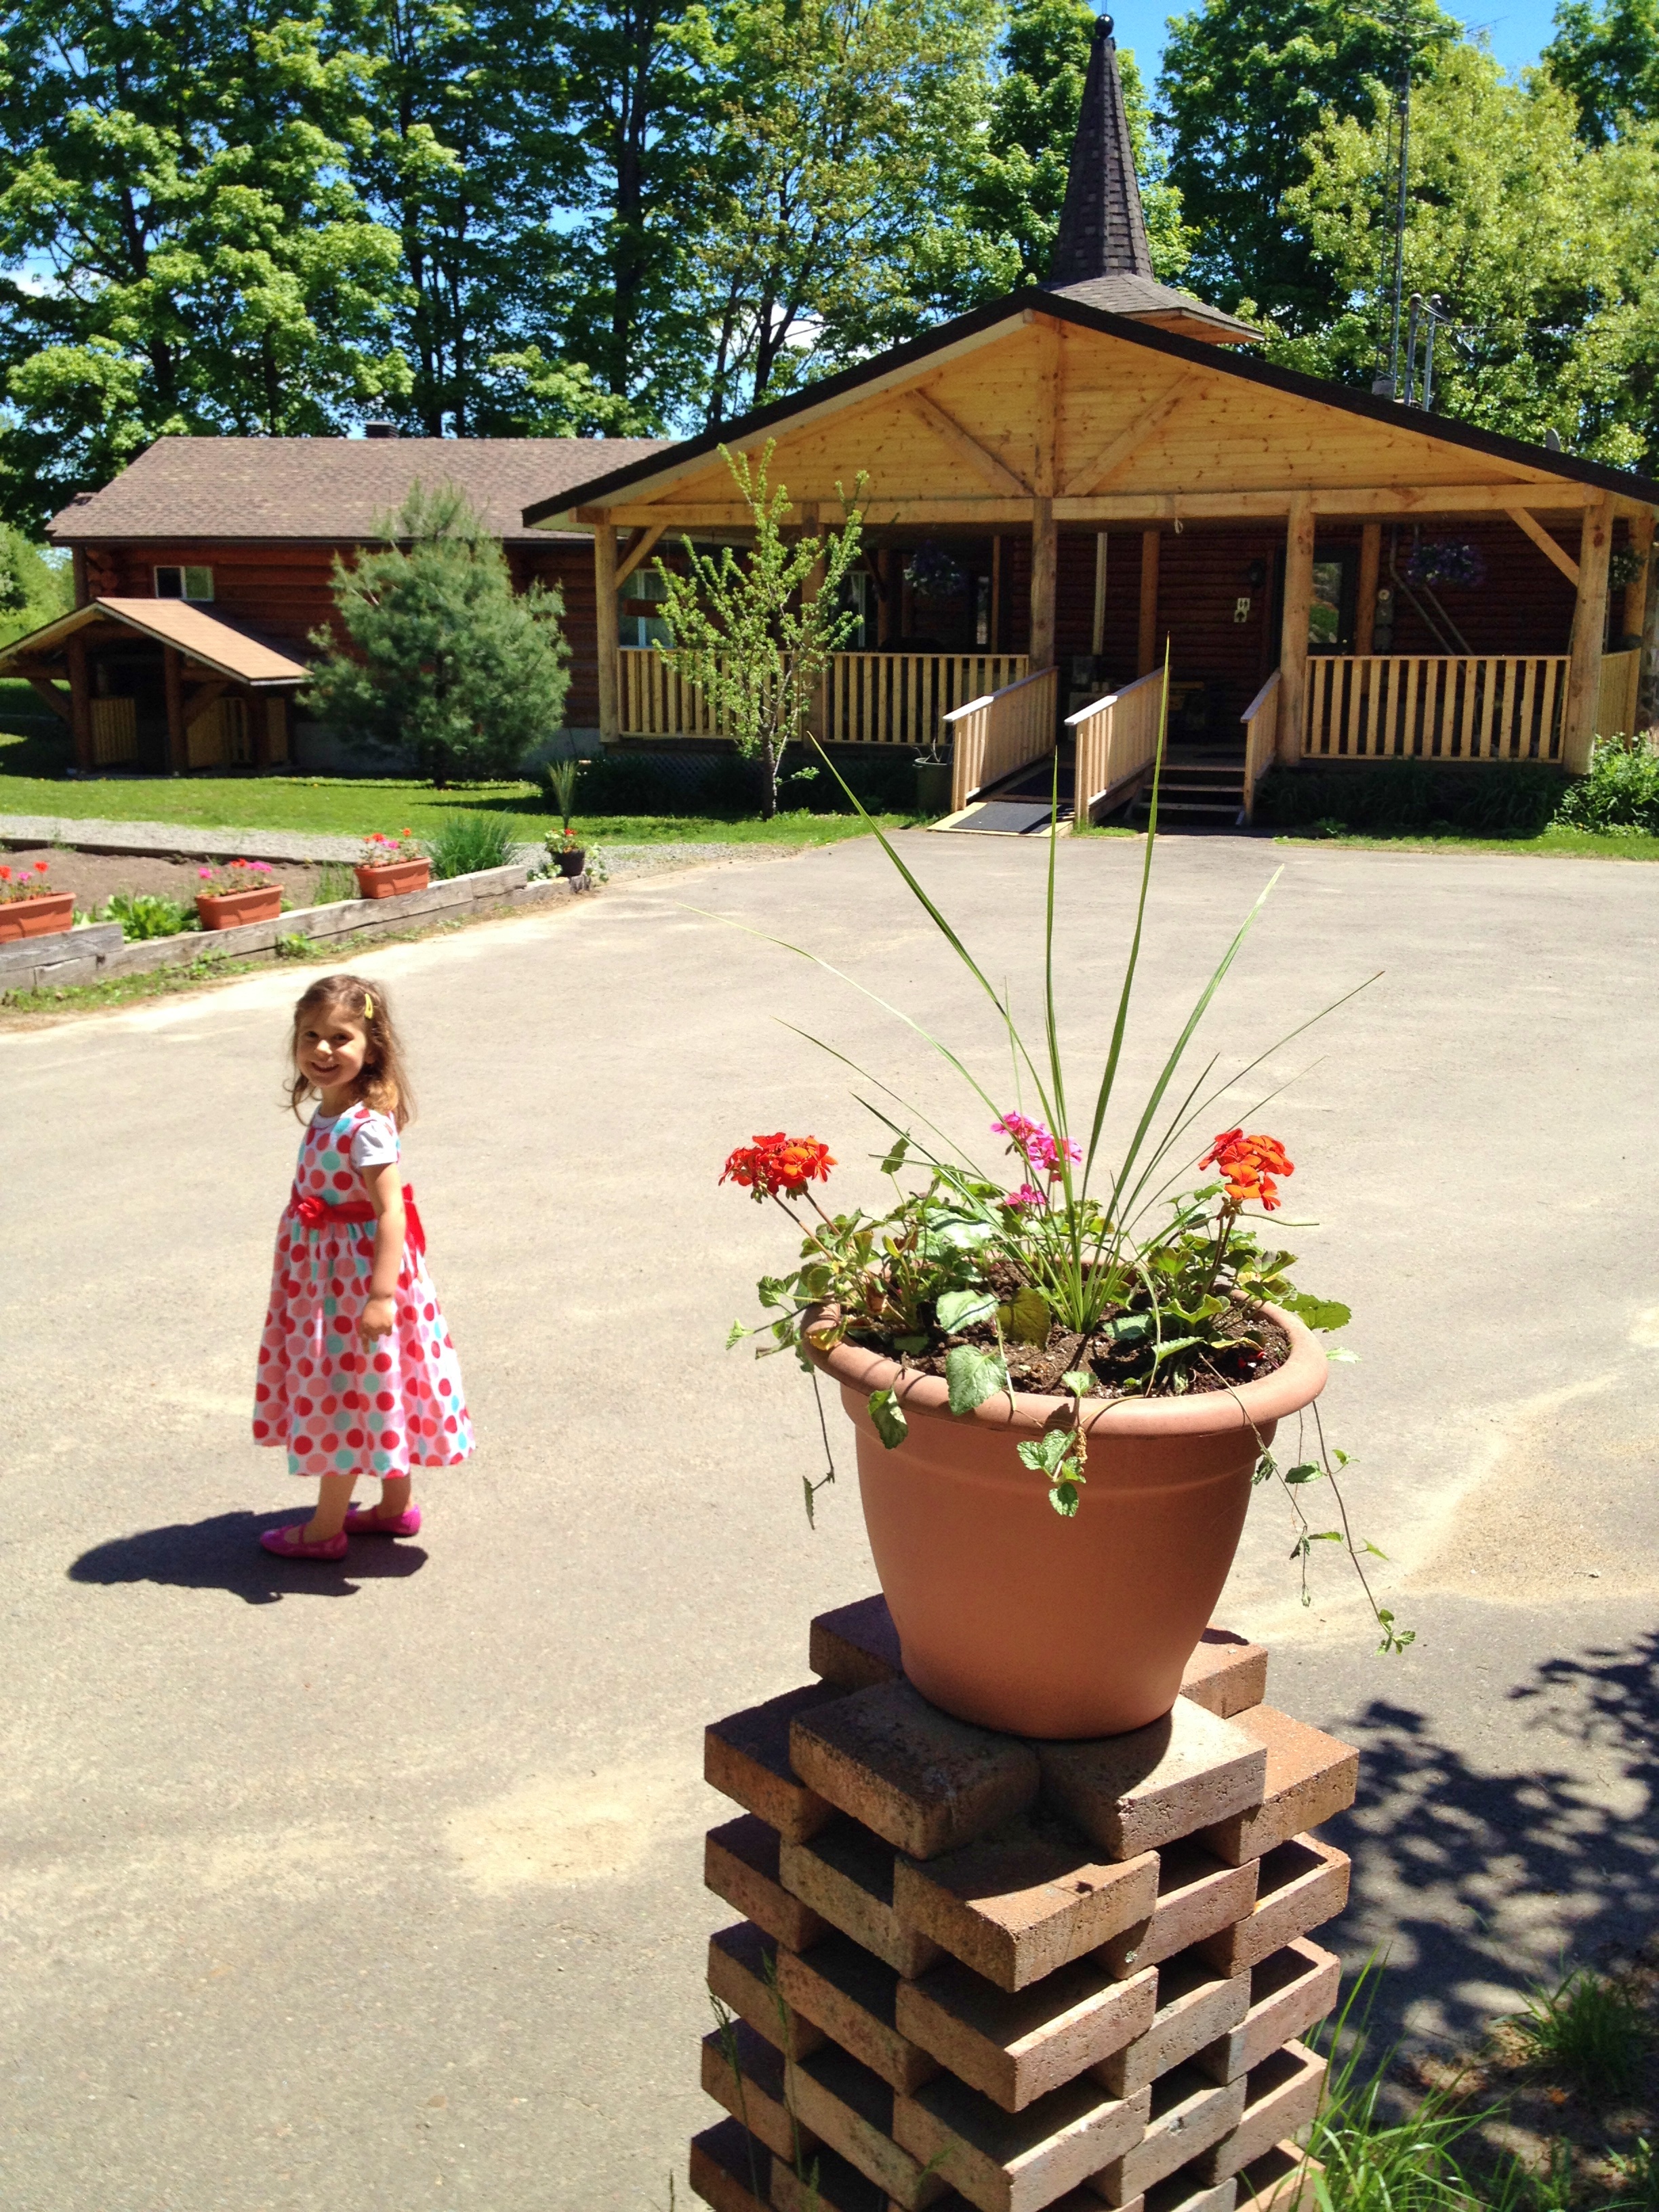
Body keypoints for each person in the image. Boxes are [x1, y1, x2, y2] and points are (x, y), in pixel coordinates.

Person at [255, 972, 472, 1559]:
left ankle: (325, 1530)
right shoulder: (328, 1114)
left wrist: (380, 1296)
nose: (323, 1050)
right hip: (325, 1279)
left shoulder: (365, 1127)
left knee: (342, 1396)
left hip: (355, 1285)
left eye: (340, 1038)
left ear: (371, 1049)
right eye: (310, 1036)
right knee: (374, 1388)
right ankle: (396, 1508)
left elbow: (391, 1212)